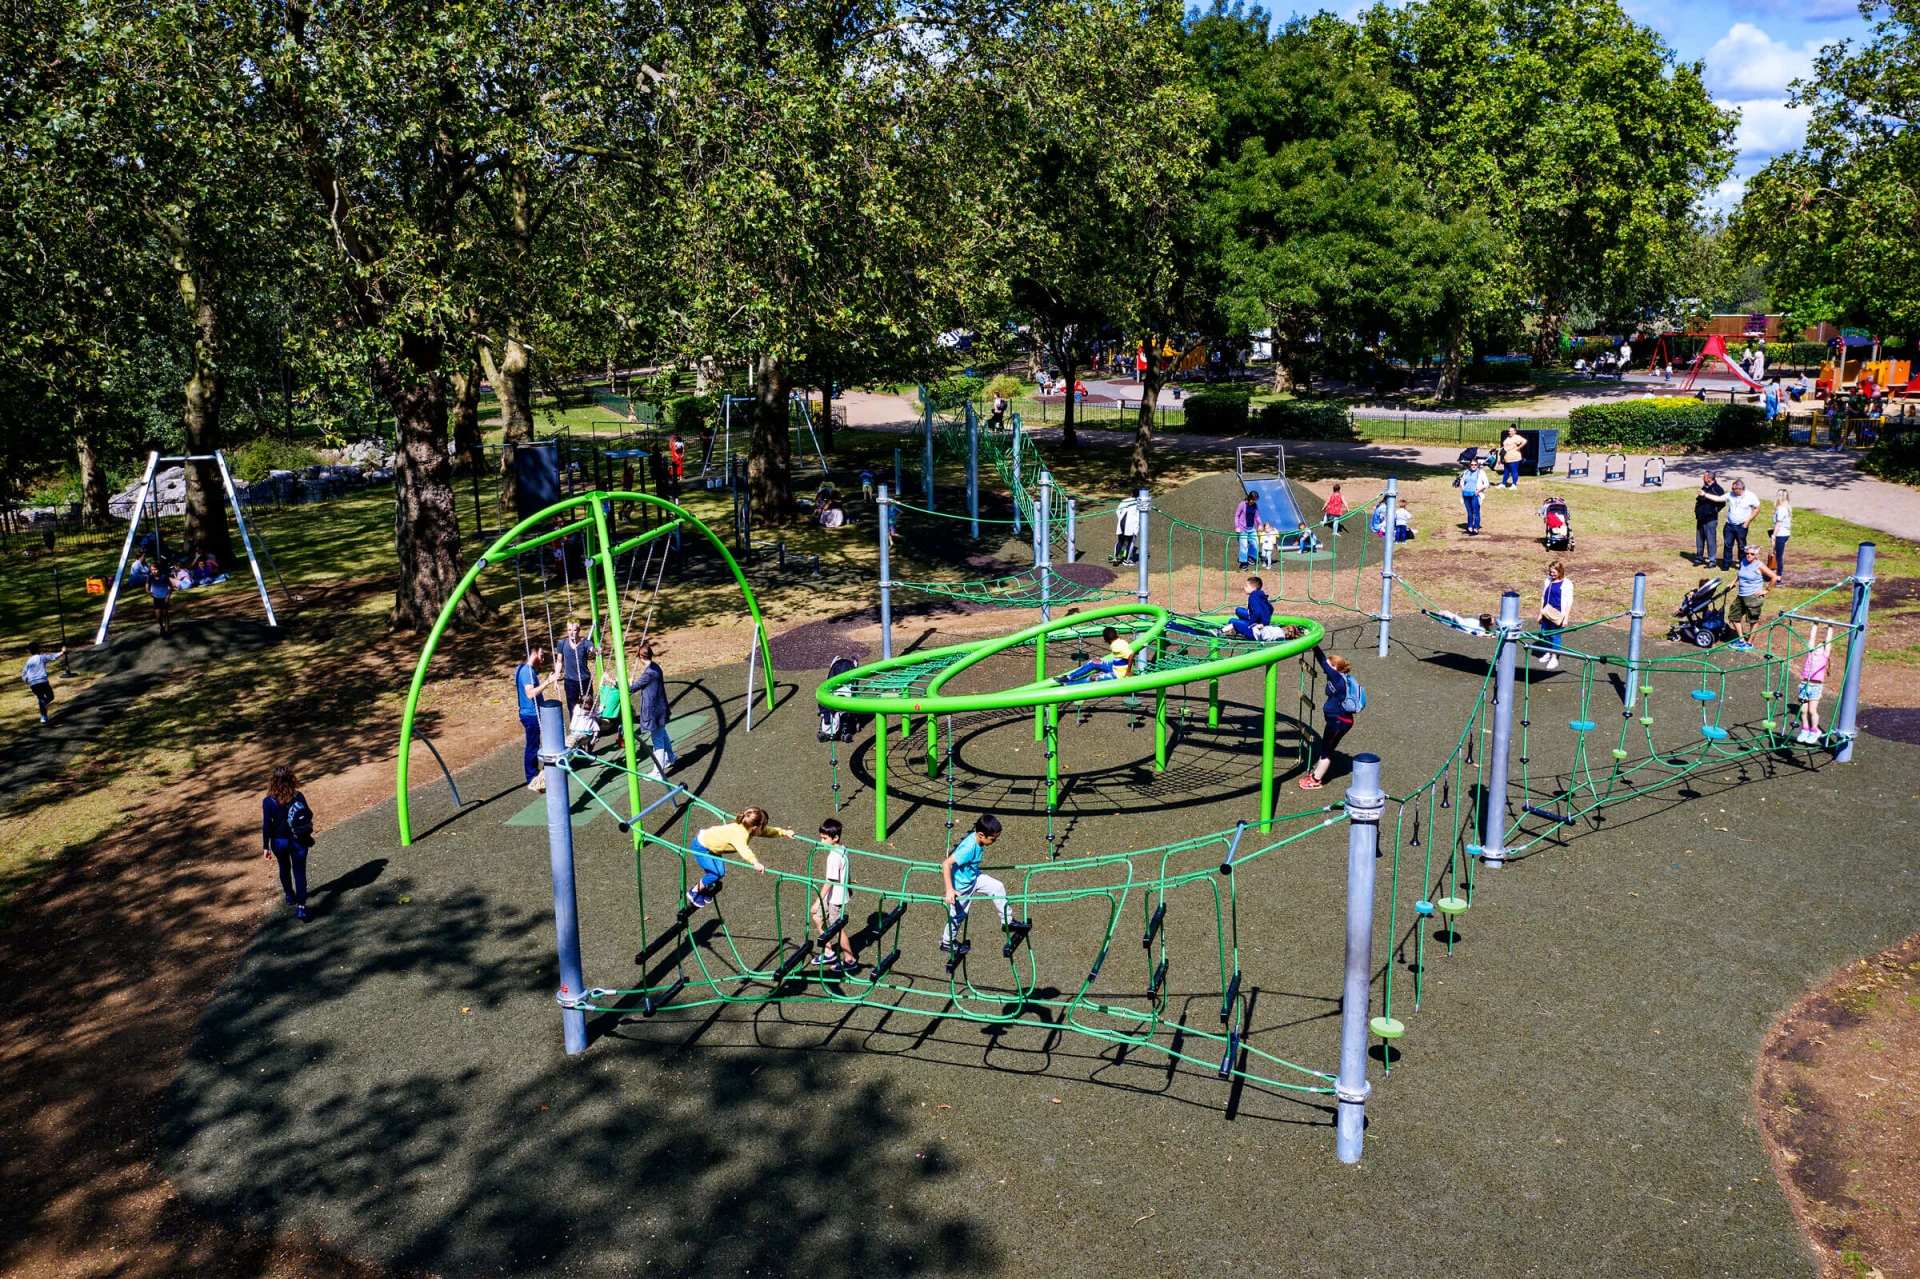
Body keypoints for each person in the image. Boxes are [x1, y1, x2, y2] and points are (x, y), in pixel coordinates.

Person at [940, 814, 1030, 954]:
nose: (994, 842)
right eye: (993, 839)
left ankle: (1007, 921)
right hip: (961, 886)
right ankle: (947, 942)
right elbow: (946, 864)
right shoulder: (968, 848)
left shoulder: (978, 839)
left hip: (973, 876)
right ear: (981, 835)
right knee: (958, 915)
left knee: (997, 887)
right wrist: (949, 889)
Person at [686, 806, 794, 910]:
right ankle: (695, 891)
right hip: (701, 846)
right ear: (755, 828)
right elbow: (743, 849)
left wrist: (784, 832)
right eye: (762, 827)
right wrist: (755, 862)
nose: (763, 829)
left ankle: (703, 889)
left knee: (721, 872)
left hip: (713, 846)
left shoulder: (746, 826)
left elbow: (767, 831)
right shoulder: (739, 834)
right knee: (715, 874)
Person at [1300, 645, 1358, 790]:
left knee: (1326, 751)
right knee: (1327, 748)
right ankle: (1315, 777)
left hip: (1339, 721)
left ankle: (1315, 780)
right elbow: (1325, 662)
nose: (1327, 667)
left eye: (1330, 665)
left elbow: (1322, 661)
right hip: (1337, 719)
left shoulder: (1337, 679)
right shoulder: (1339, 677)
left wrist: (1314, 647)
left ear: (1335, 668)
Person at [807, 818, 860, 974]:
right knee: (817, 917)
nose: (821, 841)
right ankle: (829, 952)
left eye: (824, 838)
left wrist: (817, 902)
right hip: (835, 895)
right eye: (821, 837)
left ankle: (850, 960)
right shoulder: (843, 849)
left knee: (837, 928)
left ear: (835, 838)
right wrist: (849, 886)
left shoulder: (834, 856)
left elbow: (830, 881)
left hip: (834, 898)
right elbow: (847, 870)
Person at [261, 765, 313, 920]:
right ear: (291, 778)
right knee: (299, 872)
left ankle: (290, 895)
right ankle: (301, 907)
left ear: (273, 781)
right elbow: (308, 814)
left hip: (279, 841)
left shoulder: (268, 801)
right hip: (298, 840)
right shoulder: (298, 796)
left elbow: (267, 825)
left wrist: (265, 846)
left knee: (284, 867)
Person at [515, 645, 563, 792]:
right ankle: (532, 777)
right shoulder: (526, 672)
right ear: (533, 654)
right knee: (533, 745)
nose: (542, 660)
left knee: (538, 742)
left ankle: (538, 771)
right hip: (531, 714)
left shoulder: (522, 669)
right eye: (541, 656)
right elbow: (530, 694)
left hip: (533, 712)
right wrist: (548, 682)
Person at [630, 641, 677, 779]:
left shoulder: (648, 674)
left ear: (641, 657)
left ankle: (658, 772)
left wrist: (613, 681)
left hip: (654, 712)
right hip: (661, 709)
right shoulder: (656, 667)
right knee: (662, 734)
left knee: (657, 742)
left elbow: (631, 689)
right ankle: (671, 757)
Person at [1727, 545, 1777, 651]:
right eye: (1747, 553)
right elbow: (1740, 573)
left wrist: (1766, 590)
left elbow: (1774, 577)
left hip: (1753, 597)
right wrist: (1732, 582)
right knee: (1733, 615)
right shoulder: (1743, 561)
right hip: (1741, 595)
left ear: (1757, 556)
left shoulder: (1759, 565)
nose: (1749, 555)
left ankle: (1749, 644)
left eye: (1752, 554)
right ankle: (1741, 640)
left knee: (1753, 620)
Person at [1056, 626, 1133, 683]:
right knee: (1094, 662)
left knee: (1093, 677)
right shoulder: (1121, 641)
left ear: (1104, 640)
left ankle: (1069, 684)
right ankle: (1069, 677)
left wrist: (1128, 672)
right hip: (1115, 667)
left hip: (1120, 674)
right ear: (1117, 635)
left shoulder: (1116, 647)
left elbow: (1131, 654)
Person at [1796, 625, 1833, 743]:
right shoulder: (1810, 654)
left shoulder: (1824, 657)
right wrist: (1815, 625)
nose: (1818, 649)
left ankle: (1814, 730)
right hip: (1804, 684)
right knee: (1803, 710)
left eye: (1821, 648)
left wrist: (1830, 627)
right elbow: (1812, 638)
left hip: (1815, 686)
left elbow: (1828, 641)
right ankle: (1805, 729)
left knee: (1812, 711)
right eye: (1817, 647)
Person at [1536, 560, 1572, 669]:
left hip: (1557, 613)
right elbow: (1543, 598)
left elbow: (1569, 602)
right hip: (1547, 612)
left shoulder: (1566, 583)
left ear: (1560, 571)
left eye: (1554, 572)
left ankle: (1554, 657)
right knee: (1544, 633)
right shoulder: (1547, 581)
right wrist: (1540, 613)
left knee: (1555, 635)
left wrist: (1566, 618)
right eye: (1550, 572)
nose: (1552, 574)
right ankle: (1548, 652)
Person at [557, 619, 596, 715]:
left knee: (588, 705)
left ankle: (589, 726)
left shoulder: (585, 643)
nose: (572, 633)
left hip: (584, 680)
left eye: (574, 630)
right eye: (569, 630)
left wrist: (596, 651)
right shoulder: (562, 643)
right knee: (572, 708)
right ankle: (574, 728)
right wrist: (555, 679)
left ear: (579, 630)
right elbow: (559, 662)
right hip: (570, 681)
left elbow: (592, 649)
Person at [1719, 478, 1759, 571]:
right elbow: (1719, 498)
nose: (1732, 490)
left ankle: (1743, 565)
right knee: (1728, 545)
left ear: (1740, 489)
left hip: (1741, 526)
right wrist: (1705, 495)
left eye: (1733, 489)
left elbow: (1757, 507)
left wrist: (1748, 520)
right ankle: (1725, 566)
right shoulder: (1730, 494)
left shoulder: (1750, 496)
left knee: (1742, 547)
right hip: (1729, 525)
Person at [20, 644, 66, 725]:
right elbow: (52, 657)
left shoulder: (29, 661)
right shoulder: (41, 657)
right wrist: (62, 652)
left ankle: (44, 717)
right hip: (42, 681)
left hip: (33, 683)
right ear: (38, 649)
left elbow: (24, 673)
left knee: (41, 698)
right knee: (50, 696)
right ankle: (43, 707)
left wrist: (28, 680)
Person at [1221, 576, 1274, 640]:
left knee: (1231, 621)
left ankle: (1242, 627)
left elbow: (1257, 611)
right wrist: (1266, 619)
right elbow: (1271, 608)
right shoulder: (1261, 594)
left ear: (1253, 588)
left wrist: (1251, 624)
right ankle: (1245, 623)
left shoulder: (1252, 597)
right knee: (1238, 610)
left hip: (1257, 625)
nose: (1244, 588)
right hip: (1262, 621)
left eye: (1246, 586)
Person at [1693, 472, 1727, 567]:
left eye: (1704, 476)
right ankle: (1699, 558)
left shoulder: (1717, 489)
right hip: (1701, 517)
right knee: (1699, 539)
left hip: (1710, 519)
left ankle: (1712, 560)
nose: (1702, 478)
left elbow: (1722, 502)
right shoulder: (1705, 487)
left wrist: (1713, 511)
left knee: (1710, 540)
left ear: (1709, 478)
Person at [1459, 456, 1488, 535]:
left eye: (1475, 464)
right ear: (1469, 465)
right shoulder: (1466, 472)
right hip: (1466, 494)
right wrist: (1463, 488)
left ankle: (1475, 528)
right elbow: (1462, 481)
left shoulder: (1481, 472)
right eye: (1472, 464)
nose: (1473, 466)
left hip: (1475, 494)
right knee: (1469, 512)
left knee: (1476, 512)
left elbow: (1486, 484)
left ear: (1478, 465)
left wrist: (1478, 491)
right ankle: (1470, 527)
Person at [1233, 491, 1260, 566]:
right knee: (1244, 545)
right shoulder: (1242, 504)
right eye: (1253, 500)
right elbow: (1236, 516)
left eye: (1256, 500)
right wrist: (1237, 527)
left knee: (1255, 543)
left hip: (1252, 528)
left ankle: (1250, 557)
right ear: (1250, 498)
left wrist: (1260, 524)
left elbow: (1257, 516)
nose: (1254, 501)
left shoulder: (1255, 505)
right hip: (1243, 528)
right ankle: (1243, 562)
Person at [1771, 489, 1793, 579]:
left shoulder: (1781, 509)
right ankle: (1776, 574)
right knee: (1778, 554)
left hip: (1780, 534)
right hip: (1786, 533)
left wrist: (1773, 535)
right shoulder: (1788, 507)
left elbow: (1778, 523)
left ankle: (1778, 577)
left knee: (1778, 557)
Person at [148, 560, 174, 636]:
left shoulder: (164, 577)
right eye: (152, 570)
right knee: (158, 616)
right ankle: (161, 626)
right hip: (156, 598)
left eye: (155, 569)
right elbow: (147, 587)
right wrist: (148, 591)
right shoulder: (150, 577)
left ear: (159, 569)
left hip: (164, 597)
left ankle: (167, 629)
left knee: (165, 613)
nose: (153, 571)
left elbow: (171, 587)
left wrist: (168, 596)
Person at [1111, 496, 1140, 564]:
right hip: (1131, 525)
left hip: (1122, 523)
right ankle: (1127, 560)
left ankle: (1115, 557)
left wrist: (1120, 519)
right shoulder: (1139, 503)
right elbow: (1139, 516)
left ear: (1131, 494)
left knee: (1120, 541)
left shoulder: (1125, 500)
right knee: (1131, 542)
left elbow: (1118, 511)